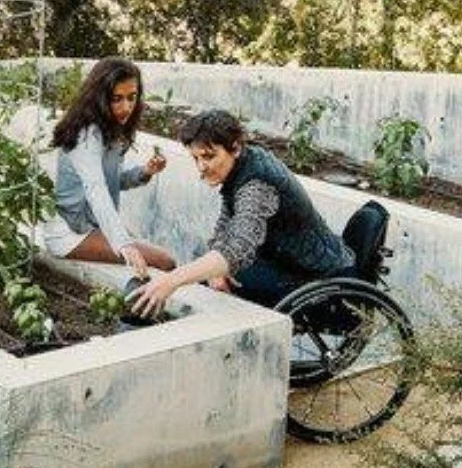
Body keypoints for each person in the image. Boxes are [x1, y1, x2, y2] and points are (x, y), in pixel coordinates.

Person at [129, 108, 353, 317]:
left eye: (208, 156)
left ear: (234, 148)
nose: (201, 167)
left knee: (210, 282)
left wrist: (171, 281)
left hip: (316, 277)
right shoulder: (243, 164)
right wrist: (214, 270)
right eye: (196, 158)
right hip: (290, 262)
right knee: (208, 272)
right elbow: (226, 224)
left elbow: (239, 247)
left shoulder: (257, 184)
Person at [41, 57, 175, 278]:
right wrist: (123, 244)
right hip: (69, 233)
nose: (126, 107)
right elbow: (96, 189)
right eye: (117, 99)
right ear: (100, 98)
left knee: (156, 257)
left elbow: (112, 181)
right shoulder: (87, 134)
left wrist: (145, 172)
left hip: (92, 226)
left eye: (132, 98)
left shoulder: (110, 129)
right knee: (165, 261)